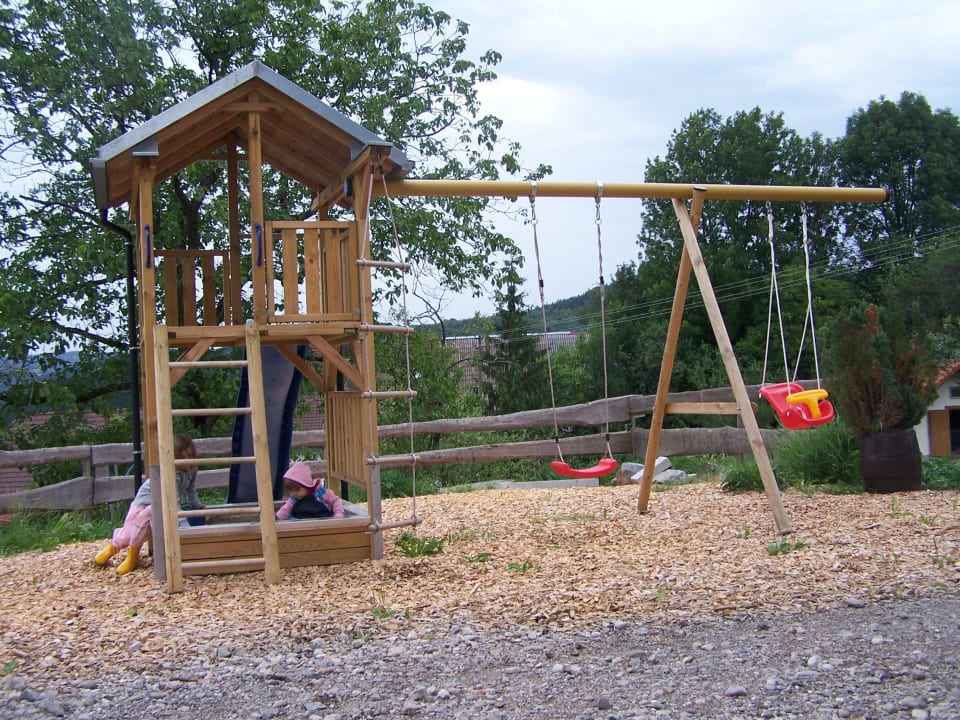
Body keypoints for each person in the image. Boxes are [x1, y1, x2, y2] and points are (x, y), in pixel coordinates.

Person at [94, 433, 206, 574]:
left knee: (144, 527)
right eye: (182, 458)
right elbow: (173, 499)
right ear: (174, 458)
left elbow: (190, 489)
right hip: (142, 504)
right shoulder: (171, 473)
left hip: (157, 505)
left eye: (190, 456)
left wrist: (196, 505)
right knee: (129, 535)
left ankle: (132, 556)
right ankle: (115, 550)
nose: (187, 461)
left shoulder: (192, 470)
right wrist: (183, 525)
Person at [276, 461, 344, 520]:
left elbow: (335, 500)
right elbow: (284, 511)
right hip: (301, 526)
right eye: (291, 491)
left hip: (323, 524)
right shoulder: (293, 500)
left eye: (297, 490)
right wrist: (277, 517)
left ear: (306, 485)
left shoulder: (322, 493)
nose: (294, 494)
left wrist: (338, 514)